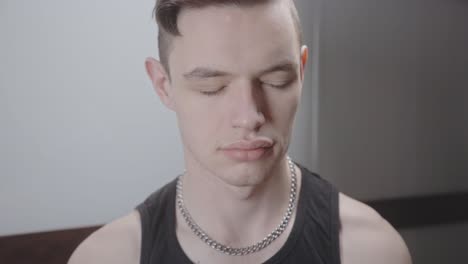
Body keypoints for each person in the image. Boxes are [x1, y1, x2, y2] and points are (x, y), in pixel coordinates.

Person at [68, 0, 412, 263]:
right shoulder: (108, 257)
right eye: (212, 88)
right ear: (163, 85)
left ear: (302, 73)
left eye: (276, 81)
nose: (250, 116)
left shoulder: (370, 251)